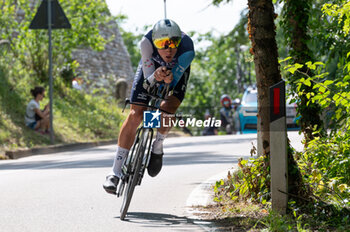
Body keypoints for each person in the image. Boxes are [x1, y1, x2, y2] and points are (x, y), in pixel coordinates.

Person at [103, 19, 195, 194]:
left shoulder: (187, 50)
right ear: (154, 42)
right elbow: (148, 82)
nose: (168, 49)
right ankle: (114, 172)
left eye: (173, 43)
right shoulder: (146, 43)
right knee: (136, 115)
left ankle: (157, 146)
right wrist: (156, 75)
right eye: (162, 44)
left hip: (177, 71)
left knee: (168, 106)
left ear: (179, 42)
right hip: (152, 69)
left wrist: (167, 79)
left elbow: (170, 83)